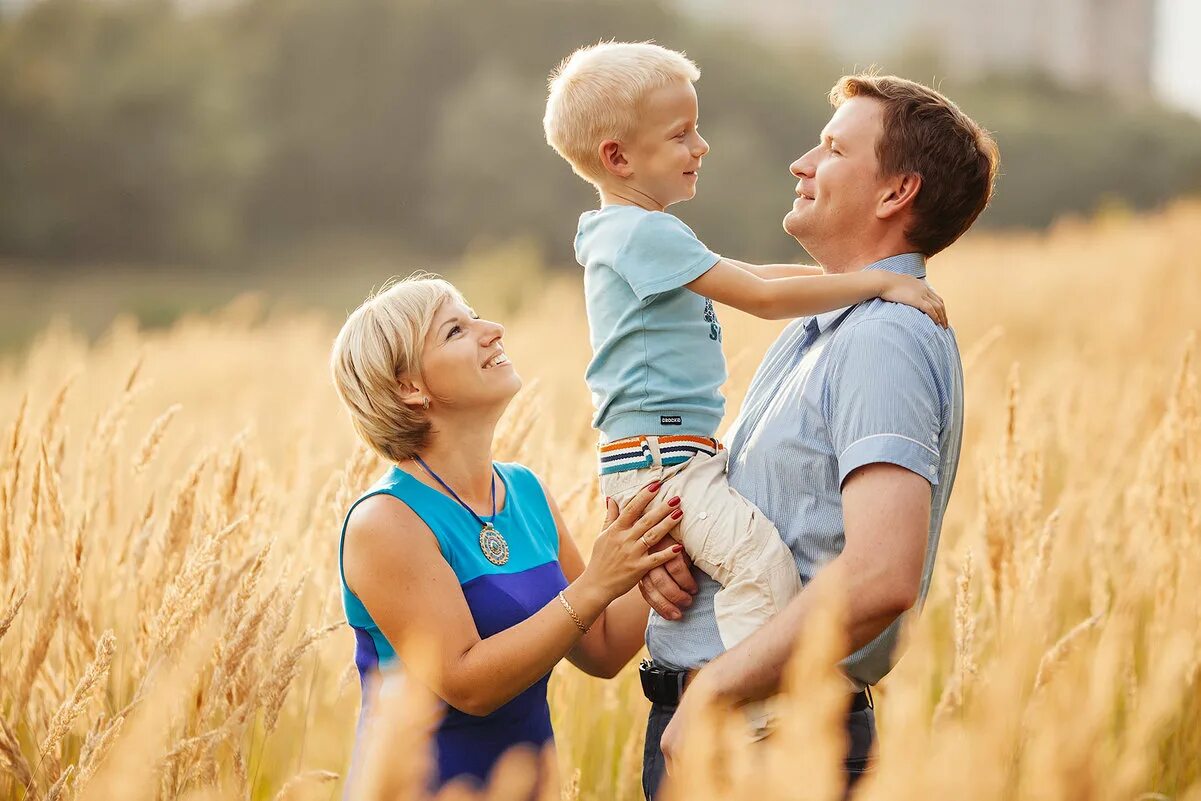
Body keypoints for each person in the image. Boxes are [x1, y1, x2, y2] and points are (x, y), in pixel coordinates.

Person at [542, 42, 947, 731]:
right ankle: (758, 722)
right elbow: (759, 294)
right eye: (680, 134)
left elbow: (761, 274)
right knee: (760, 568)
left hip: (664, 455)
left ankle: (751, 718)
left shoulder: (638, 234)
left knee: (749, 562)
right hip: (666, 458)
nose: (701, 145)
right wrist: (881, 281)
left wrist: (875, 289)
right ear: (618, 158)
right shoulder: (644, 236)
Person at [637, 74, 999, 799]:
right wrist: (660, 554)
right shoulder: (820, 325)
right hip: (736, 726)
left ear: (895, 193)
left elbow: (879, 574)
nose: (801, 163)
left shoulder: (882, 338)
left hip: (771, 737)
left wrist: (711, 695)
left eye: (832, 148)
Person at [330, 275, 687, 794]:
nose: (492, 330)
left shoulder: (524, 491)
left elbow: (604, 648)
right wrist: (596, 584)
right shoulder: (386, 521)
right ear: (410, 387)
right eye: (455, 330)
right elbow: (466, 684)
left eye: (476, 317)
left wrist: (665, 541)